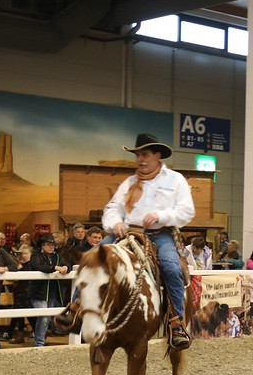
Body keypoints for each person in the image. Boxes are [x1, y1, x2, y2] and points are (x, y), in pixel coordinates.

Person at [60, 133, 195, 350]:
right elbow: (112, 208)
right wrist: (115, 223)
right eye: (138, 155)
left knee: (171, 267)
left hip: (159, 234)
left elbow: (186, 211)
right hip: (126, 232)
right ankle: (74, 310)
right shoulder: (129, 182)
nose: (140, 160)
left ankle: (176, 323)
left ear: (157, 156)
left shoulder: (175, 180)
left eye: (145, 155)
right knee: (90, 258)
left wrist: (161, 216)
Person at [30, 234, 71, 346]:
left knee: (47, 318)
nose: (51, 247)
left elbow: (67, 264)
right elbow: (37, 266)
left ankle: (40, 340)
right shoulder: (35, 255)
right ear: (42, 246)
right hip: (39, 291)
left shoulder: (57, 256)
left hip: (52, 291)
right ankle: (39, 342)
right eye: (48, 244)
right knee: (43, 317)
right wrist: (55, 268)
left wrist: (66, 267)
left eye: (53, 244)